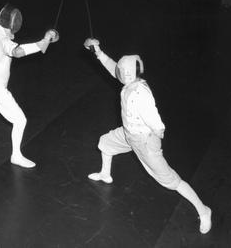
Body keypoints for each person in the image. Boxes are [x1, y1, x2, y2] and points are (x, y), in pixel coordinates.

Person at [83, 38, 212, 234]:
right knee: (106, 143)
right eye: (121, 71)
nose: (121, 74)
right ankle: (105, 174)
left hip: (144, 141)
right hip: (128, 135)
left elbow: (157, 124)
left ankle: (204, 211)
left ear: (133, 73)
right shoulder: (126, 78)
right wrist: (97, 51)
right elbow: (112, 67)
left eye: (125, 72)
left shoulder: (141, 93)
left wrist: (152, 144)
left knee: (171, 180)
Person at [0, 3, 59, 168]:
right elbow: (17, 52)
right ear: (15, 24)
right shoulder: (3, 39)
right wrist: (45, 40)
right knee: (20, 120)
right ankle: (16, 156)